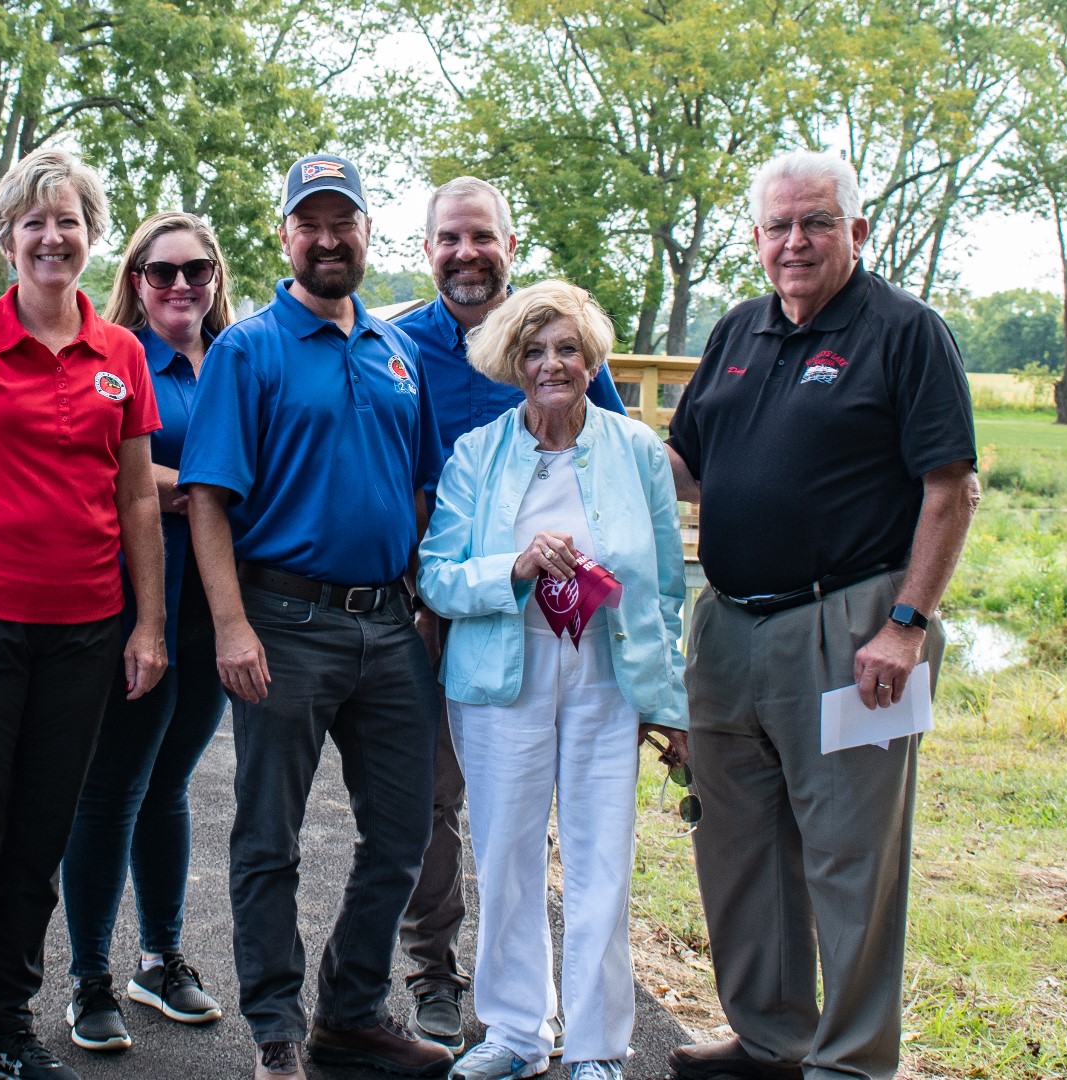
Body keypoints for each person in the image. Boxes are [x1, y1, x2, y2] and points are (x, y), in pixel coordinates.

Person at [663, 151, 979, 1080]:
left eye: (816, 222)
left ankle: (848, 1062)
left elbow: (950, 487)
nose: (794, 242)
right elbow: (684, 467)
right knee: (738, 848)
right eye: (777, 225)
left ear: (858, 231)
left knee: (850, 862)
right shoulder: (736, 331)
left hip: (852, 631)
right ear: (755, 237)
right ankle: (769, 1039)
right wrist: (572, 454)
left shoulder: (905, 331)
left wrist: (908, 623)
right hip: (726, 628)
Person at [179, 153, 453, 1080]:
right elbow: (208, 498)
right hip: (283, 620)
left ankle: (351, 1009)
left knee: (406, 832)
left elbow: (420, 491)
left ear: (371, 232)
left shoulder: (398, 351)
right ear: (285, 234)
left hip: (389, 626)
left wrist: (419, 603)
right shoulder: (248, 349)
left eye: (345, 221)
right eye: (311, 221)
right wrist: (230, 625)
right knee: (270, 835)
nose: (328, 238)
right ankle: (276, 1030)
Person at [0, 147, 168, 1080]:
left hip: (86, 635)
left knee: (36, 846)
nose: (52, 238)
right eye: (34, 222)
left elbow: (139, 500)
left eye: (69, 222)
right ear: (8, 237)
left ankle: (2, 1026)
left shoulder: (122, 354)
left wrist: (149, 626)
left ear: (92, 238)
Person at [416, 280, 689, 1080]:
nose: (551, 364)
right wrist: (518, 565)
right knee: (506, 856)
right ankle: (514, 1034)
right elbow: (437, 578)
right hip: (506, 675)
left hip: (606, 673)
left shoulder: (636, 451)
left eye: (567, 348)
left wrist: (669, 704)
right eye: (534, 351)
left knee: (603, 857)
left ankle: (599, 1044)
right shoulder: (478, 454)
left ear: (590, 357)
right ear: (512, 361)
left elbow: (667, 587)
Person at [390, 177, 628, 1054]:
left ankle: (581, 1030)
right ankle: (439, 977)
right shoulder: (398, 345)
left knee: (576, 835)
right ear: (427, 250)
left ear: (508, 245)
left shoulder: (553, 334)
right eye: (449, 239)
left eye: (481, 237)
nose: (465, 254)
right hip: (439, 606)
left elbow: (617, 477)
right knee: (444, 806)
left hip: (578, 635)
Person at [58, 212, 237, 1054]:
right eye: (160, 273)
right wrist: (196, 485)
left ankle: (159, 957)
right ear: (134, 280)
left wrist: (187, 486)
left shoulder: (236, 359)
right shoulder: (117, 362)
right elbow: (95, 468)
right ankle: (87, 975)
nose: (179, 287)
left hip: (220, 608)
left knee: (170, 783)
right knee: (113, 783)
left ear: (216, 277)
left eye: (195, 270)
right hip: (134, 603)